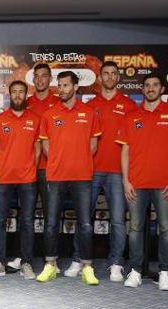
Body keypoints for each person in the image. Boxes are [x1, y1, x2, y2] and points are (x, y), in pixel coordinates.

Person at [66, 61, 137, 281]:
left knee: (117, 220)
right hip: (91, 170)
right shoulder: (90, 106)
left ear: (118, 77)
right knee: (84, 219)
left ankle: (115, 263)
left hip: (118, 172)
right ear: (100, 77)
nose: (109, 77)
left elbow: (135, 142)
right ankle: (78, 259)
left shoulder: (129, 105)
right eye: (105, 73)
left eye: (113, 73)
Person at [36, 71, 102, 285]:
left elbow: (93, 144)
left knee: (84, 224)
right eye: (60, 85)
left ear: (75, 87)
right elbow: (46, 146)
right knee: (52, 222)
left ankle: (87, 267)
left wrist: (79, 160)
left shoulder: (89, 113)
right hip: (56, 176)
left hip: (82, 176)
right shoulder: (49, 114)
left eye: (66, 85)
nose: (61, 89)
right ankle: (50, 265)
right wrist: (59, 161)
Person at [0, 80, 40, 280]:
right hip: (4, 178)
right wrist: (6, 164)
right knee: (0, 221)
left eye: (21, 92)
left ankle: (26, 263)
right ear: (9, 95)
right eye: (14, 92)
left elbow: (37, 148)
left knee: (27, 221)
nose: (17, 95)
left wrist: (27, 166)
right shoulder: (0, 120)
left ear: (26, 95)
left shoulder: (35, 119)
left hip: (27, 179)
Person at [119, 73, 168, 290]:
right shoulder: (131, 116)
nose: (150, 88)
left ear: (162, 89)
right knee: (136, 229)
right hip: (136, 183)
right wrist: (125, 180)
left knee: (166, 229)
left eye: (155, 85)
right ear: (142, 89)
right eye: (147, 85)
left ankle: (165, 271)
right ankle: (135, 271)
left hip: (164, 184)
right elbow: (125, 151)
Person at [10, 63, 60, 271]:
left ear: (50, 79)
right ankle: (24, 258)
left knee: (51, 218)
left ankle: (52, 260)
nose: (40, 80)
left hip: (51, 170)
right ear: (33, 80)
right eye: (36, 77)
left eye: (44, 76)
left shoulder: (58, 103)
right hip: (27, 171)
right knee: (26, 217)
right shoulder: (25, 103)